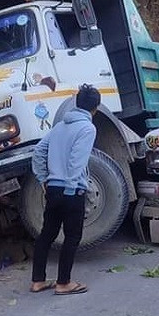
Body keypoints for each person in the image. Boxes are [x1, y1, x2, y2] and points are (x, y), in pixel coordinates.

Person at [30, 85, 100, 295]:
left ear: (76, 103)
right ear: (95, 108)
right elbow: (77, 162)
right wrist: (71, 190)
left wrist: (44, 180)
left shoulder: (59, 126)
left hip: (52, 188)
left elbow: (38, 152)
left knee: (47, 235)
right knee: (72, 237)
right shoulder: (88, 128)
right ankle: (63, 283)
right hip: (71, 191)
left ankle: (38, 281)